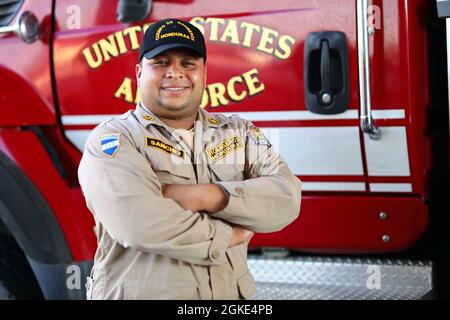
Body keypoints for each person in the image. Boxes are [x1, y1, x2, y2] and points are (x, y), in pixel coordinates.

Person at [78, 18, 301, 300]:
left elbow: (287, 198)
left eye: (188, 63)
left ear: (204, 73)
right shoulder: (114, 139)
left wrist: (210, 196)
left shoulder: (238, 132)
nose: (175, 73)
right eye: (160, 62)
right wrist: (227, 235)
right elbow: (138, 223)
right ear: (138, 72)